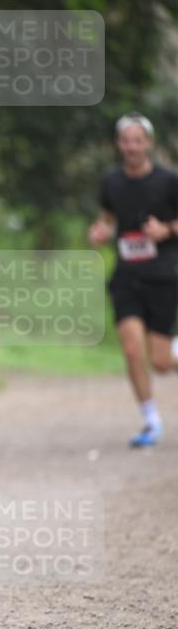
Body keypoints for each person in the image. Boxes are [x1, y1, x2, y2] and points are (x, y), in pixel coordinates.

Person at [89, 112, 178, 447]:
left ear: (148, 144)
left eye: (138, 141)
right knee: (130, 349)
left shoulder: (169, 180)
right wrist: (100, 231)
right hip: (126, 275)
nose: (132, 147)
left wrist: (166, 229)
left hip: (162, 275)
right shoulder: (111, 181)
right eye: (126, 141)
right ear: (118, 144)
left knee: (161, 362)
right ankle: (151, 422)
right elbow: (108, 217)